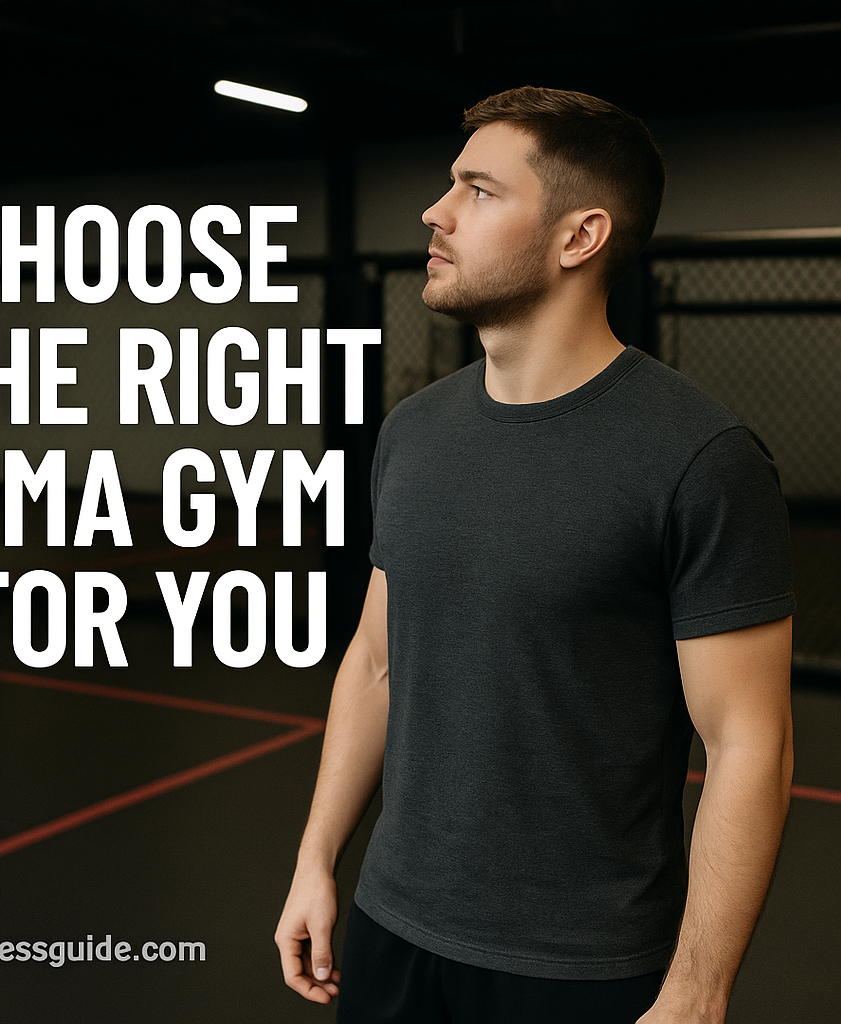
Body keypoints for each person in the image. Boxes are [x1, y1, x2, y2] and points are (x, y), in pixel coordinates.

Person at [275, 86, 794, 1024]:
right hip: (391, 931)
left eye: (477, 190)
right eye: (449, 185)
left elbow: (747, 743)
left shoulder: (700, 460)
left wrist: (698, 990)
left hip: (582, 972)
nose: (435, 212)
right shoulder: (413, 431)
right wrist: (318, 861)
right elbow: (375, 660)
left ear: (579, 237)